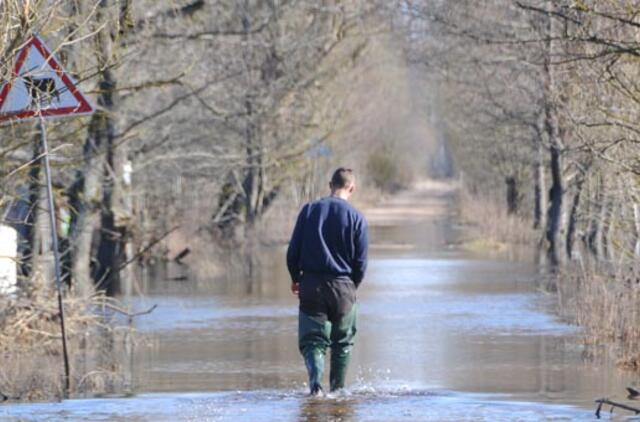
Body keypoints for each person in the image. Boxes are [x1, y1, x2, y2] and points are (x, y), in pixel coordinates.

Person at [286, 167, 369, 396]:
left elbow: (292, 252)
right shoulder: (357, 218)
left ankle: (315, 387)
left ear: (329, 184)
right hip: (344, 286)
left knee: (313, 341)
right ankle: (338, 392)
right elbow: (361, 263)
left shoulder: (310, 210)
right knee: (342, 344)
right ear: (352, 188)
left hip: (311, 285)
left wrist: (296, 279)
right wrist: (352, 287)